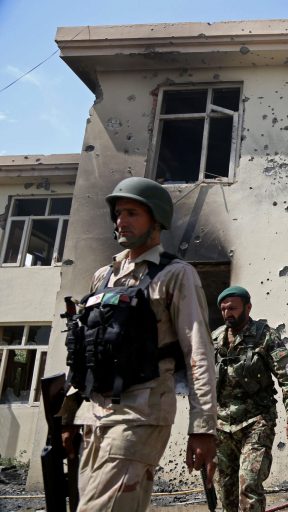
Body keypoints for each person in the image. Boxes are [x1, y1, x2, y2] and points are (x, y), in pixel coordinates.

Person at [58, 176, 217, 511]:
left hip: (140, 414)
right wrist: (68, 415)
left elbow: (199, 353)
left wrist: (203, 428)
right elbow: (86, 350)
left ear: (156, 219)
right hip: (94, 415)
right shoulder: (103, 276)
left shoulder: (176, 274)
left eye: (132, 213)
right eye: (118, 214)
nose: (121, 221)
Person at [213, 286, 288, 511]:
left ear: (248, 307)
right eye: (223, 309)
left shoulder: (266, 336)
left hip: (257, 420)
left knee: (249, 483)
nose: (227, 313)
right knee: (225, 487)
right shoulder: (215, 338)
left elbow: (287, 378)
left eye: (233, 308)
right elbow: (201, 381)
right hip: (221, 423)